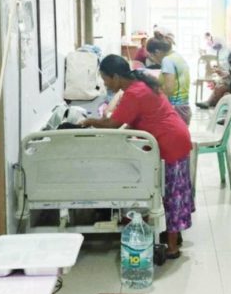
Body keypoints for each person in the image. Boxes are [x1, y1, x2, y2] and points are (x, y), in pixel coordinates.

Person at [81, 55, 193, 259]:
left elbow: (113, 124)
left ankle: (172, 247)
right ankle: (173, 234)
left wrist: (89, 122)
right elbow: (137, 118)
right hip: (176, 135)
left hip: (170, 142)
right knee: (174, 191)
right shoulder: (141, 82)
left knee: (172, 195)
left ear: (115, 77)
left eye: (105, 79)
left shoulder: (134, 93)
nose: (105, 84)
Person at [146, 37, 192, 125]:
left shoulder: (167, 60)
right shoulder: (177, 56)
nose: (152, 59)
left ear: (157, 52)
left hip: (175, 109)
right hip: (183, 107)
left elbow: (169, 89)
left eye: (151, 55)